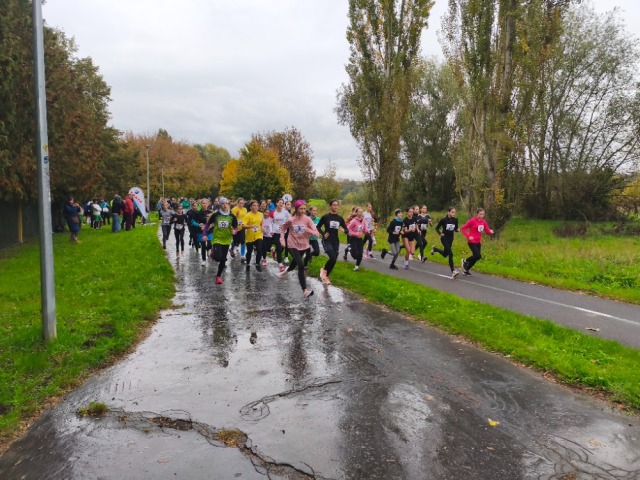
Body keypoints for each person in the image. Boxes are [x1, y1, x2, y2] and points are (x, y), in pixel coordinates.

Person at [278, 200, 319, 298]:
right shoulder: (291, 220)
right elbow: (282, 229)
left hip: (304, 245)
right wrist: (282, 240)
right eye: (301, 209)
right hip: (292, 244)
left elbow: (316, 233)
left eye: (304, 209)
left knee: (295, 263)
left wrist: (309, 230)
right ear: (296, 209)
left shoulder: (308, 219)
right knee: (301, 265)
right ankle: (305, 290)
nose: (303, 210)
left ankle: (286, 271)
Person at [204, 197, 237, 284]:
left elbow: (235, 227)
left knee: (223, 259)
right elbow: (207, 225)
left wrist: (234, 231)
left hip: (226, 240)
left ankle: (218, 276)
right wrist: (204, 234)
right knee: (218, 258)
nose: (225, 205)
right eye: (223, 203)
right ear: (219, 205)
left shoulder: (231, 216)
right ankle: (213, 253)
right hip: (217, 239)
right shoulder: (216, 215)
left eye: (226, 203)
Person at [316, 199, 348, 285]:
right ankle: (324, 271)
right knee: (333, 257)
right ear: (330, 206)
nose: (335, 207)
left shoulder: (340, 218)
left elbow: (346, 229)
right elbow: (318, 227)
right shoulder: (325, 217)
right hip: (327, 240)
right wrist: (323, 234)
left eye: (337, 205)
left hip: (335, 241)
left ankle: (325, 276)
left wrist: (344, 230)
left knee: (334, 260)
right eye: (334, 205)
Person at [460, 208, 494, 276]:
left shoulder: (483, 222)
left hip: (478, 241)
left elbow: (487, 230)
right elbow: (463, 228)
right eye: (480, 214)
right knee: (477, 255)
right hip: (471, 241)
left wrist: (490, 231)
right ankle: (465, 260)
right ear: (477, 214)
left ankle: (466, 270)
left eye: (483, 214)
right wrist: (468, 236)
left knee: (477, 257)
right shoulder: (472, 221)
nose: (482, 216)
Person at [431, 207, 460, 278]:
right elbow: (437, 228)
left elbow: (455, 229)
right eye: (452, 212)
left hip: (451, 239)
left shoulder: (455, 220)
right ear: (448, 212)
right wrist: (440, 233)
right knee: (450, 254)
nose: (453, 213)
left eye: (454, 212)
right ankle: (453, 271)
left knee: (445, 254)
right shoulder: (443, 220)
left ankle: (435, 249)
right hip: (444, 238)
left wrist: (457, 230)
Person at [242, 200, 265, 272]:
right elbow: (243, 226)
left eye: (257, 205)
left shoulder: (261, 214)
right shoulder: (248, 215)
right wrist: (250, 226)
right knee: (249, 251)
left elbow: (262, 223)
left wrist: (262, 227)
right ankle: (248, 264)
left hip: (259, 234)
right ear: (251, 207)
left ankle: (257, 264)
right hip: (250, 236)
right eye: (254, 205)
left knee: (259, 249)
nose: (256, 207)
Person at [270, 198, 291, 272]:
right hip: (276, 232)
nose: (281, 204)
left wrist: (287, 223)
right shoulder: (273, 212)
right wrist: (271, 230)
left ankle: (274, 251)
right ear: (276, 203)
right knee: (279, 248)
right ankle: (280, 264)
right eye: (279, 202)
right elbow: (270, 222)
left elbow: (290, 219)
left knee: (282, 247)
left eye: (282, 203)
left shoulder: (286, 212)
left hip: (284, 232)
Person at [347, 207, 369, 271]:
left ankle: (356, 267)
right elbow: (348, 229)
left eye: (362, 212)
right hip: (353, 239)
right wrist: (355, 234)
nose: (361, 213)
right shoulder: (354, 221)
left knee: (360, 253)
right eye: (359, 212)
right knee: (355, 255)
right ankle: (350, 249)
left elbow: (364, 229)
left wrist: (367, 232)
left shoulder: (363, 220)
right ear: (356, 213)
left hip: (360, 239)